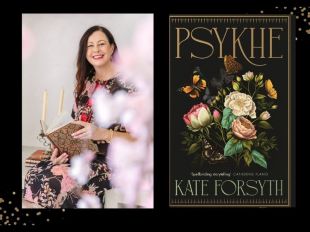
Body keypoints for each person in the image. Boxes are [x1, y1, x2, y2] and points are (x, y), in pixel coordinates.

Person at [23, 25, 135, 208]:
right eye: (90, 46)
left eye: (101, 44)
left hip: (116, 161)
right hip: (81, 156)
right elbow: (75, 127)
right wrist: (59, 151)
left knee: (54, 182)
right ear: (85, 51)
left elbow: (140, 139)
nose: (96, 50)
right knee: (34, 174)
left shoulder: (129, 86)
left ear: (112, 48)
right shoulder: (85, 83)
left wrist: (103, 134)